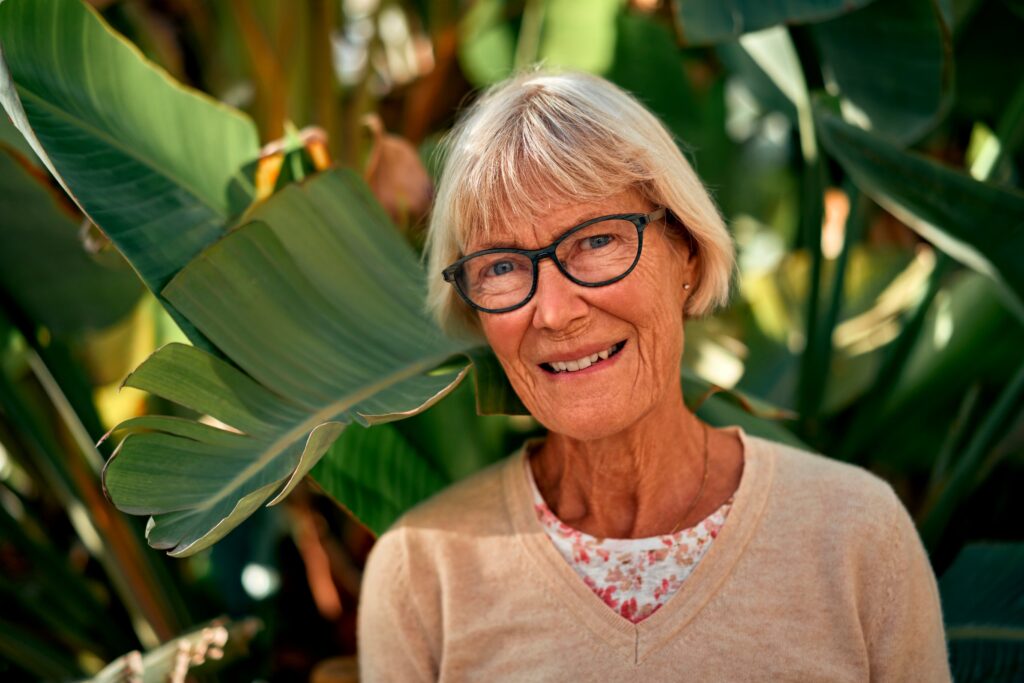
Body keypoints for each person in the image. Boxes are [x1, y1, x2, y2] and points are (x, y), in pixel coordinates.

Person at [357, 68, 952, 681]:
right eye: (502, 265)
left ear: (686, 253)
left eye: (595, 241)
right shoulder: (422, 573)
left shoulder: (854, 534)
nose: (556, 312)